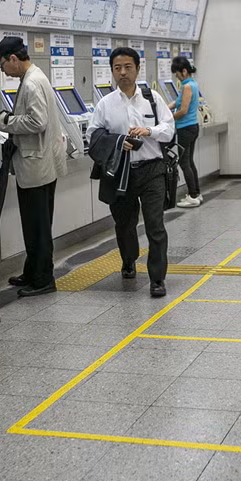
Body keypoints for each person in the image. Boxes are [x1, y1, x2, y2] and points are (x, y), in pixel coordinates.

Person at [86, 47, 175, 298]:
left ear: (137, 69)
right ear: (112, 71)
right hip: (120, 172)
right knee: (124, 225)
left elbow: (169, 130)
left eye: (128, 67)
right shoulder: (105, 104)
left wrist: (150, 131)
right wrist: (117, 143)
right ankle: (128, 260)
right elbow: (93, 136)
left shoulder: (152, 99)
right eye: (117, 68)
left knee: (155, 226)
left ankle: (157, 279)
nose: (122, 72)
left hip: (152, 170)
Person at [0, 36, 67, 298]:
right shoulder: (34, 77)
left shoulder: (31, 83)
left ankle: (43, 279)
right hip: (41, 163)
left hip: (36, 166)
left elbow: (37, 122)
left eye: (1, 65)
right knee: (36, 224)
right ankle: (33, 271)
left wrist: (3, 121)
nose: (2, 71)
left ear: (12, 58)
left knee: (37, 227)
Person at [170, 55, 203, 208]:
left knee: (184, 163)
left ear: (183, 71)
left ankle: (193, 195)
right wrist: (163, 108)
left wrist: (168, 118)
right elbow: (177, 103)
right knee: (189, 161)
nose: (176, 76)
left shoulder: (187, 86)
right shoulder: (192, 84)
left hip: (185, 128)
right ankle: (196, 193)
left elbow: (182, 110)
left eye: (177, 73)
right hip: (192, 127)